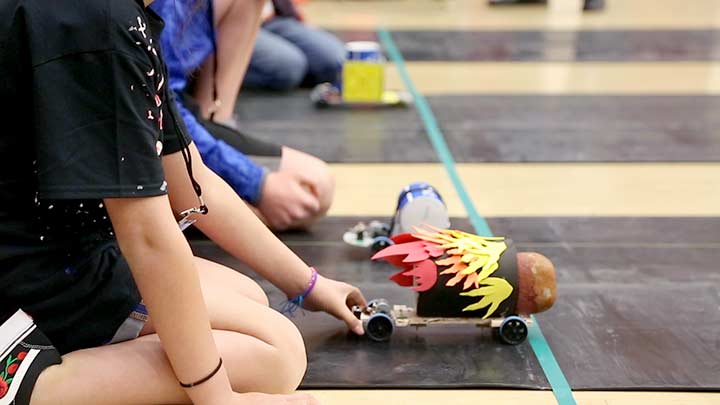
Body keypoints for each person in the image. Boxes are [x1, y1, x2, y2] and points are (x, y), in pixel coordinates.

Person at [0, 1, 365, 404]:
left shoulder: (119, 17)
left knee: (248, 297)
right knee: (277, 355)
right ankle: (27, 384)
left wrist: (308, 284)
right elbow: (146, 235)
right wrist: (219, 398)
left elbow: (191, 178)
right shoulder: (100, 23)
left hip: (54, 247)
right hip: (30, 271)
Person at [153, 0, 335, 232]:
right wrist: (254, 182)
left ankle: (189, 206)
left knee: (312, 190)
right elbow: (156, 109)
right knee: (313, 184)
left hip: (170, 116)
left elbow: (205, 117)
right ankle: (175, 212)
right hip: (140, 132)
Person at [243, 0, 346, 91]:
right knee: (287, 68)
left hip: (273, 17)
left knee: (335, 61)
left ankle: (294, 77)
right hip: (239, 22)